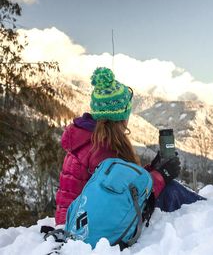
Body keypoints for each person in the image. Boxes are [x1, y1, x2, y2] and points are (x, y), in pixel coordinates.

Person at [55, 67, 181, 225]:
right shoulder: (103, 149)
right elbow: (128, 199)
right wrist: (161, 176)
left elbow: (120, 186)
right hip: (89, 228)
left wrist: (153, 168)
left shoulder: (88, 138)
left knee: (170, 190)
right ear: (122, 116)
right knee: (172, 191)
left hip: (75, 221)